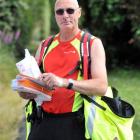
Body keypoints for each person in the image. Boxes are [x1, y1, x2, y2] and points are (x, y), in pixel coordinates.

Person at [19, 0, 108, 140]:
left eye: (70, 10)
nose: (65, 15)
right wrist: (25, 90)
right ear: (55, 16)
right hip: (42, 122)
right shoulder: (45, 45)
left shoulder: (91, 44)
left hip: (73, 124)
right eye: (60, 12)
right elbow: (30, 90)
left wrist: (64, 82)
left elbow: (101, 86)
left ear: (78, 13)